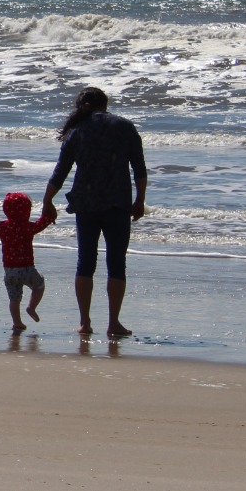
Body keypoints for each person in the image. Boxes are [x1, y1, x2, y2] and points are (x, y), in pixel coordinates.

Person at [42, 86, 148, 338]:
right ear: (105, 103)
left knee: (85, 262)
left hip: (86, 204)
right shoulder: (124, 126)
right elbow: (139, 168)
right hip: (117, 203)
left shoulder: (76, 131)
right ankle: (113, 323)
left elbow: (61, 171)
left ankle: (85, 322)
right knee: (116, 263)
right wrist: (140, 199)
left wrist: (47, 201)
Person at [0, 191, 56, 333]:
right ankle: (31, 307)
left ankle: (17, 323)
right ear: (27, 210)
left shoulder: (4, 227)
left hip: (10, 271)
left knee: (14, 299)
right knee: (39, 286)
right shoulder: (28, 227)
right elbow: (41, 224)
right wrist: (50, 215)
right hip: (28, 269)